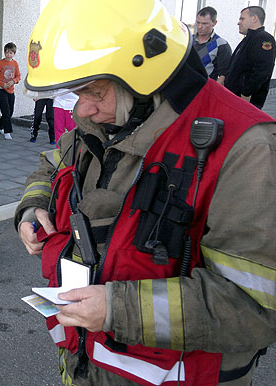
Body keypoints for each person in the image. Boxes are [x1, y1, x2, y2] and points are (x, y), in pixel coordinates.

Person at [16, 1, 276, 385]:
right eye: (75, 92)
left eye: (94, 91)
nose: (81, 109)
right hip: (87, 362)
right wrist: (31, 206)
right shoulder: (100, 117)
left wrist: (116, 309)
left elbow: (254, 307)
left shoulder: (247, 148)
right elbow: (53, 163)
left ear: (147, 76)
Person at [225, 6, 276, 109]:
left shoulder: (263, 39)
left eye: (242, 19)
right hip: (235, 98)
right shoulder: (248, 39)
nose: (238, 22)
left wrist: (246, 93)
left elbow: (262, 70)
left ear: (254, 19)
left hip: (246, 101)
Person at [0, 42, 21, 140]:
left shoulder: (15, 64)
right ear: (4, 52)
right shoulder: (0, 63)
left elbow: (18, 76)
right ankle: (7, 131)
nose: (8, 54)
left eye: (11, 53)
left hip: (11, 90)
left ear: (14, 54)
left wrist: (13, 81)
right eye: (7, 52)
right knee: (5, 111)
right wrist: (3, 84)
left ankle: (0, 125)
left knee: (10, 111)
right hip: (1, 89)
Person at [192, 6, 232, 84]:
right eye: (198, 22)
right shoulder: (188, 40)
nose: (200, 27)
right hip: (183, 87)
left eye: (204, 23)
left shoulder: (221, 45)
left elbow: (223, 75)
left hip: (204, 89)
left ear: (214, 23)